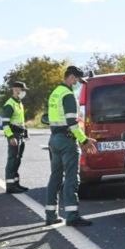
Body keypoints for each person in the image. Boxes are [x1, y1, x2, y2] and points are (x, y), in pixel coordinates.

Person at [44, 66, 97, 227]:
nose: (77, 84)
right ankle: (72, 215)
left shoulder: (55, 92)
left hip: (54, 139)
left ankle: (50, 214)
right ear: (71, 77)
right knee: (72, 178)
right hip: (67, 141)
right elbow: (72, 123)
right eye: (77, 80)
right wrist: (84, 140)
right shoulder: (67, 95)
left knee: (55, 177)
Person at [2, 81, 30, 194]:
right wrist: (10, 137)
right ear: (15, 89)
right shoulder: (10, 104)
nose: (23, 92)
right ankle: (10, 186)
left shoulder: (19, 103)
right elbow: (5, 124)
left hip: (20, 135)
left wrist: (25, 132)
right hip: (14, 135)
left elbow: (20, 121)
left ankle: (16, 183)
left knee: (17, 159)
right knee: (12, 160)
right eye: (22, 90)